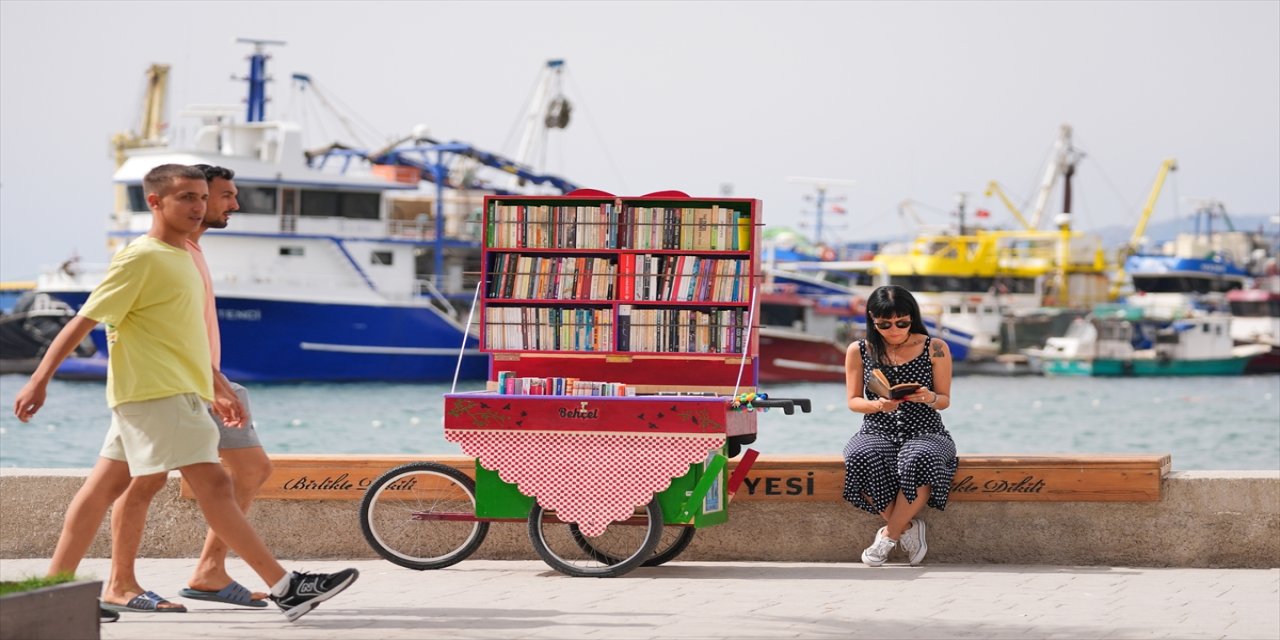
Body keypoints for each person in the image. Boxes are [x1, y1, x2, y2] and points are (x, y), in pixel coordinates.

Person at [12, 164, 357, 622]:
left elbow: (182, 337)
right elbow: (86, 319)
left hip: (166, 392)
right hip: (159, 394)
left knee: (102, 489)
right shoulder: (143, 256)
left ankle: (53, 596)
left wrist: (216, 386)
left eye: (200, 197)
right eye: (185, 198)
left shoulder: (182, 255)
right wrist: (40, 378)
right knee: (214, 483)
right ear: (154, 202)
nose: (198, 207)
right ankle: (285, 586)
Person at [106, 164, 274, 612]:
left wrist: (216, 381)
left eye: (210, 199)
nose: (222, 206)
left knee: (247, 470)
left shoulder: (187, 252)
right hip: (180, 386)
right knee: (152, 482)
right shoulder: (162, 252)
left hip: (204, 381)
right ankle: (125, 581)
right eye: (222, 196)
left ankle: (207, 573)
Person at [841, 285, 956, 567]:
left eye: (902, 322)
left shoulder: (935, 348)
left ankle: (888, 536)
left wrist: (929, 397)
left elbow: (944, 401)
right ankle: (907, 528)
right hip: (876, 428)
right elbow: (854, 401)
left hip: (925, 429)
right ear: (872, 319)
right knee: (859, 458)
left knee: (921, 458)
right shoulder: (858, 350)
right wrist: (877, 405)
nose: (894, 330)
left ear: (912, 317)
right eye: (884, 324)